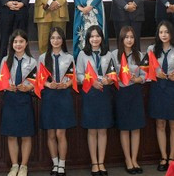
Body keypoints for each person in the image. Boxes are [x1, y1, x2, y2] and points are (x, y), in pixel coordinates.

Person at [76, 25, 115, 176]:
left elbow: (113, 74)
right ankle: (94, 163)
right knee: (92, 130)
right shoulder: (82, 55)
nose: (95, 39)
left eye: (97, 36)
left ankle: (101, 162)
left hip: (104, 93)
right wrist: (91, 81)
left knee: (103, 130)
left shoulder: (108, 54)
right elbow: (79, 74)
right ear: (88, 39)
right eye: (91, 36)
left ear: (102, 38)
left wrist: (108, 80)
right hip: (90, 93)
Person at [147, 21, 174, 172]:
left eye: (166, 32)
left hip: (172, 87)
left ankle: (172, 157)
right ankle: (163, 157)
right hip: (157, 87)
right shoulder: (151, 49)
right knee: (160, 124)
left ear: (171, 34)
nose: (163, 35)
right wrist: (154, 73)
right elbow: (146, 67)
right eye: (161, 32)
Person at [38, 27, 76, 176]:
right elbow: (38, 79)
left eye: (58, 38)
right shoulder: (42, 57)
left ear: (63, 40)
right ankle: (55, 164)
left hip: (64, 96)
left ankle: (62, 164)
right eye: (53, 38)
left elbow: (72, 78)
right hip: (49, 96)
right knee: (51, 134)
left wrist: (66, 84)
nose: (56, 40)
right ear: (49, 40)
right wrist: (48, 84)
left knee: (61, 133)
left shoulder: (69, 57)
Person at [0, 29, 37, 176]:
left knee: (26, 135)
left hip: (25, 99)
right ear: (12, 44)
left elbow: (36, 83)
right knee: (11, 135)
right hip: (10, 99)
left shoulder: (32, 61)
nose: (18, 44)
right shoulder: (5, 60)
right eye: (15, 42)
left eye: (21, 41)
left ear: (26, 43)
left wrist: (28, 87)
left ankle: (24, 166)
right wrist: (6, 86)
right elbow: (0, 81)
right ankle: (14, 165)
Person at [114, 26, 146, 174]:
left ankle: (135, 159)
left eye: (132, 37)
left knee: (136, 128)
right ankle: (128, 160)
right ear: (121, 39)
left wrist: (137, 78)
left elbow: (145, 76)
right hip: (121, 93)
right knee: (125, 128)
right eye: (126, 37)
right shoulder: (114, 55)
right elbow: (110, 73)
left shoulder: (139, 55)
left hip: (135, 92)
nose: (129, 40)